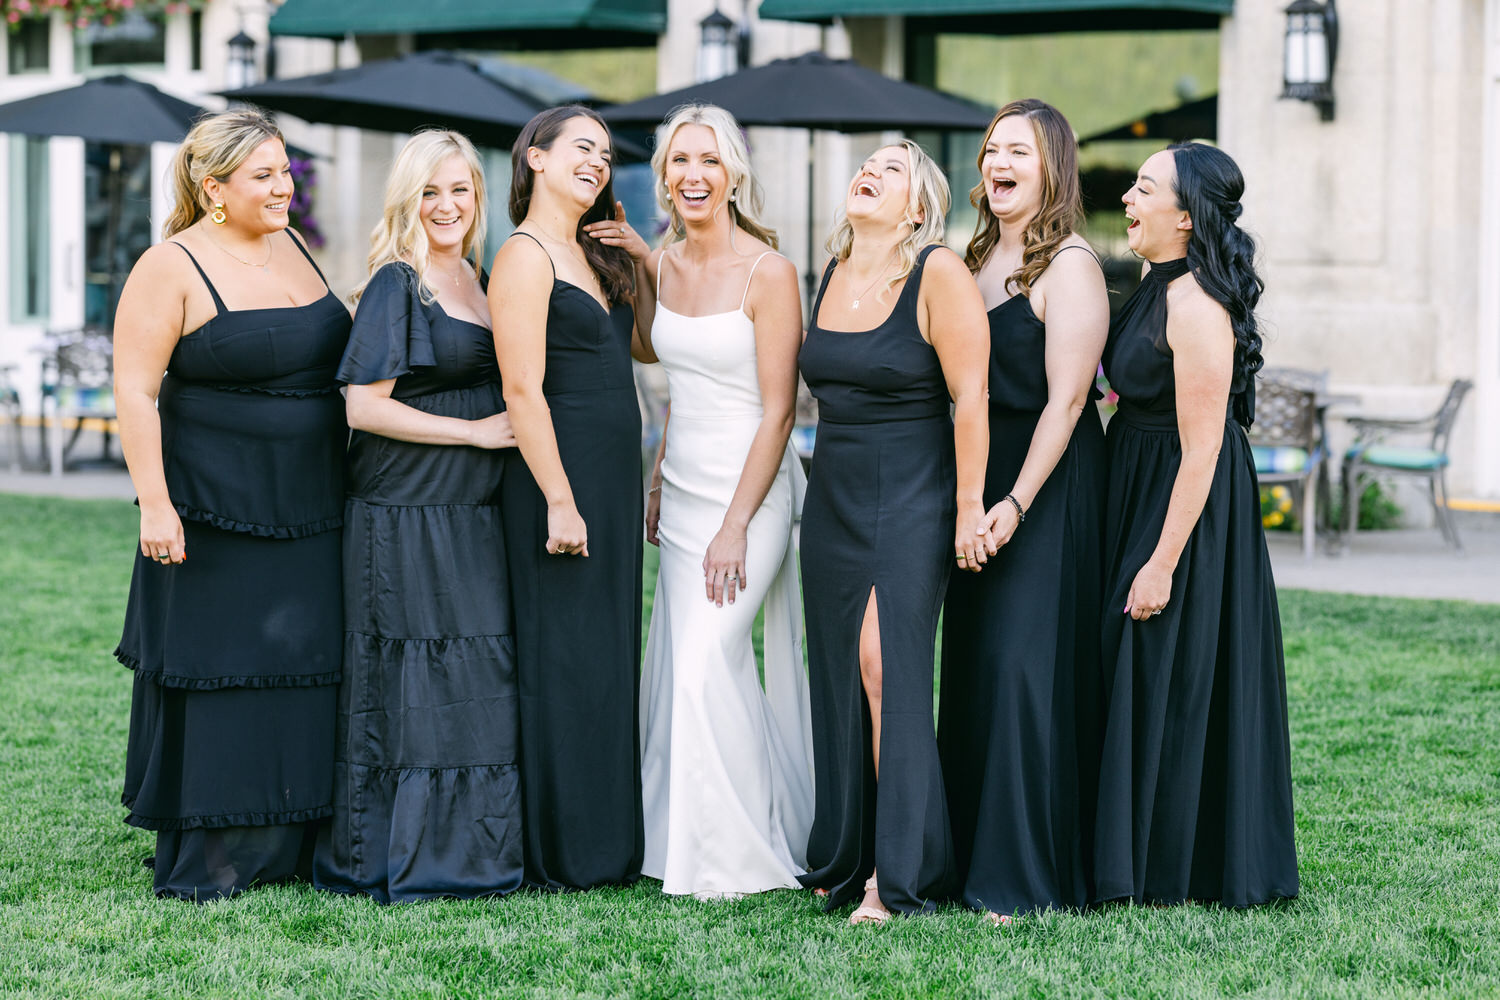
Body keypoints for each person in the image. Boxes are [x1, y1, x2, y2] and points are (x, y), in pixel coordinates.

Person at [112, 109, 350, 900]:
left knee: (304, 668)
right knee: (223, 677)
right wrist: (155, 504)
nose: (285, 186)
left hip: (313, 504)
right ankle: (219, 852)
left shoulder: (295, 245)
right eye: (265, 175)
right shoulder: (170, 265)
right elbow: (137, 392)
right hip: (213, 512)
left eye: (286, 172)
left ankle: (295, 838)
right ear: (213, 187)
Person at [313, 131, 523, 902]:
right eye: (430, 192)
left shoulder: (477, 275)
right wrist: (473, 432)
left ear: (479, 197)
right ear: (408, 198)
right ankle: (408, 850)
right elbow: (364, 407)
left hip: (468, 510)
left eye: (460, 191)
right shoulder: (400, 282)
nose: (446, 207)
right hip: (404, 511)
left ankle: (475, 847)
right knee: (413, 679)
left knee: (473, 667)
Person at [1093, 142, 1298, 908]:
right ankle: (1127, 849)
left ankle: (1170, 864)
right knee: (1134, 664)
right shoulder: (1154, 282)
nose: (1128, 200)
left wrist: (1161, 562)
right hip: (1137, 479)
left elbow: (1204, 446)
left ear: (1184, 217)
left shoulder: (1198, 307)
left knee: (1166, 665)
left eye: (1143, 189)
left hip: (1187, 500)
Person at [620, 104, 812, 900]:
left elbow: (778, 410)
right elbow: (660, 363)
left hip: (752, 496)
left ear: (733, 173)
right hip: (685, 483)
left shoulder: (770, 273)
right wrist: (661, 474)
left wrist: (736, 522)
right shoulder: (662, 266)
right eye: (677, 162)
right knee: (676, 669)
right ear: (664, 178)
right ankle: (679, 843)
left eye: (706, 161)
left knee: (707, 664)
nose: (691, 176)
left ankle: (741, 852)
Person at [797, 140, 991, 924]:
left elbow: (970, 398)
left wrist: (970, 506)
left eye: (893, 168)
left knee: (887, 670)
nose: (869, 171)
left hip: (912, 495)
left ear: (918, 205)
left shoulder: (938, 271)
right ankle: (847, 853)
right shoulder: (830, 274)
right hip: (833, 496)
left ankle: (896, 873)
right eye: (866, 162)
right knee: (842, 673)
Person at [937, 99, 1110, 923]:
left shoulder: (1069, 263)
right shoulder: (970, 256)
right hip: (976, 486)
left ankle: (1023, 876)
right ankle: (965, 855)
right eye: (991, 149)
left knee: (1021, 673)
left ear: (1052, 168)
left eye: (1018, 151)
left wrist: (1013, 502)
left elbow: (1070, 402)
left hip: (1046, 487)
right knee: (972, 668)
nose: (996, 162)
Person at [490, 106, 649, 890]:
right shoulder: (521, 255)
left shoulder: (594, 250)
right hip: (562, 478)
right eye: (582, 147)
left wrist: (645, 259)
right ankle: (566, 849)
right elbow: (522, 388)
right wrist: (558, 496)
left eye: (607, 152)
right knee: (566, 655)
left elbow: (646, 346)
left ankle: (612, 841)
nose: (598, 160)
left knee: (609, 653)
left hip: (614, 481)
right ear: (537, 158)